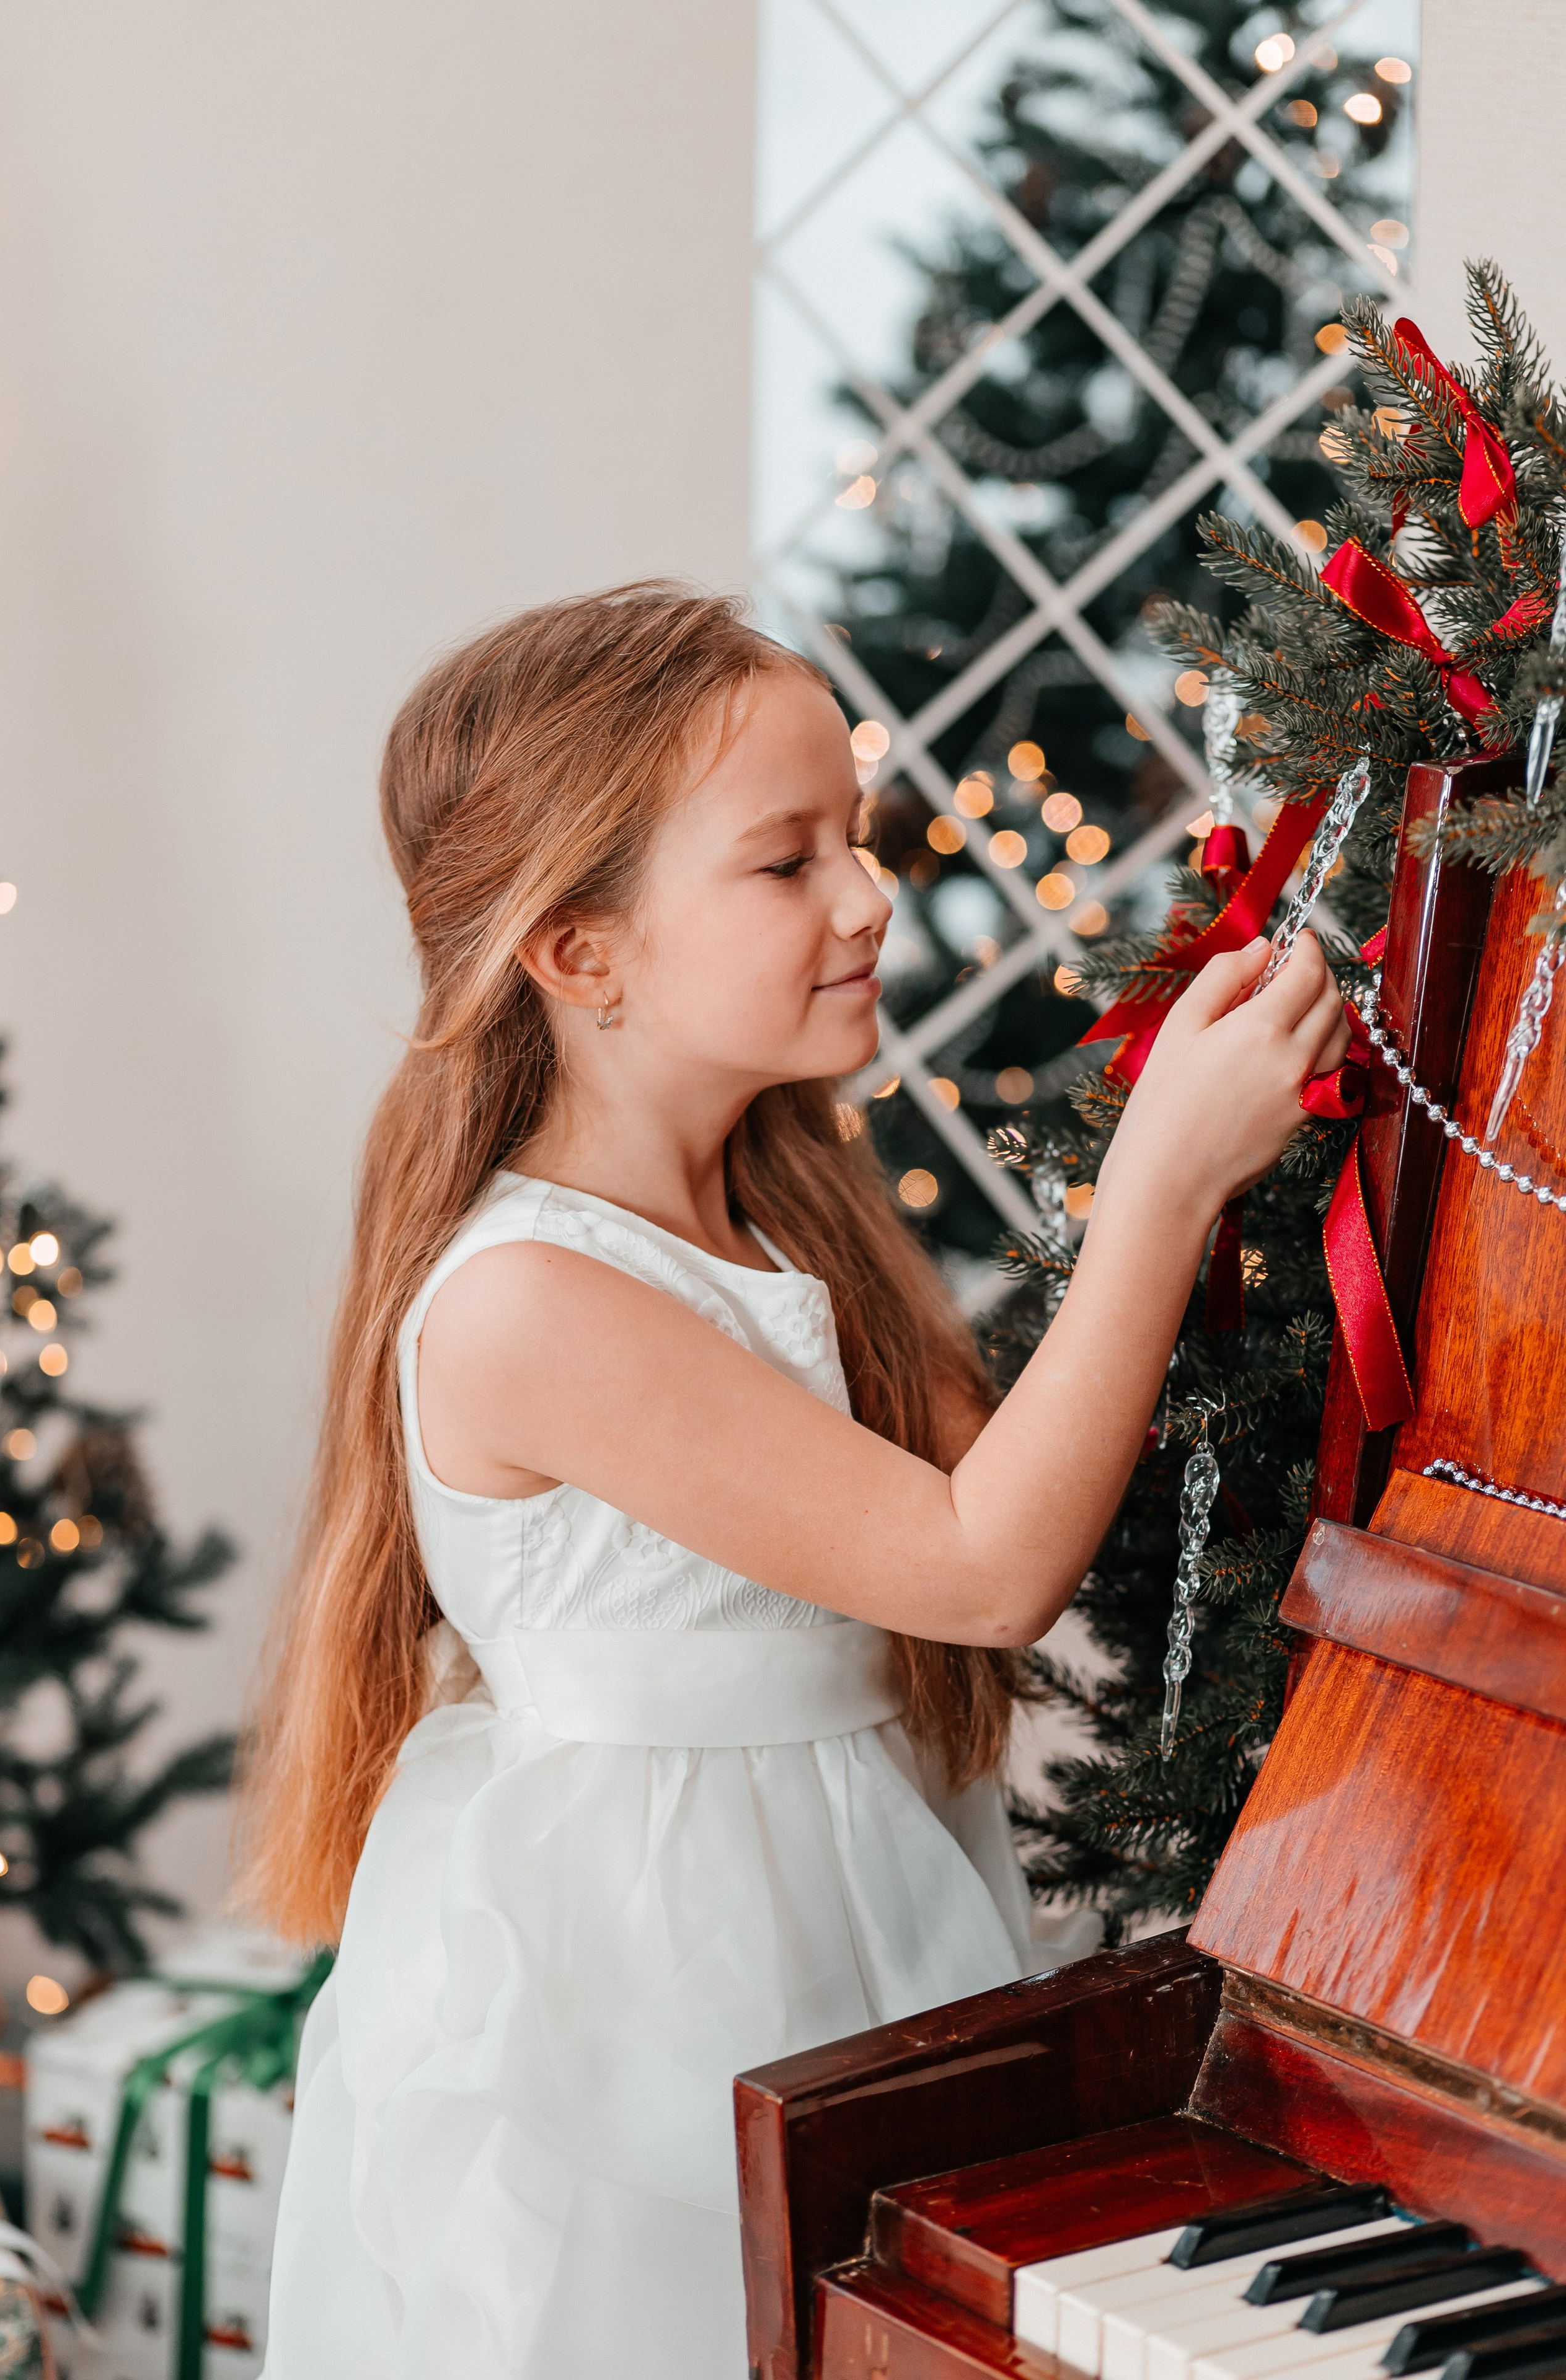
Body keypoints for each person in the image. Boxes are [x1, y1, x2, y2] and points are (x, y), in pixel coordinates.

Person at [247, 584, 1347, 2379]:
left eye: (860, 833)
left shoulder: (782, 1210)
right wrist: (1155, 1187)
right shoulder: (526, 1302)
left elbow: (1034, 1474)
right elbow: (986, 1566)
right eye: (786, 863)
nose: (871, 893)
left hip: (864, 1901)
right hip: (651, 1988)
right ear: (579, 953)